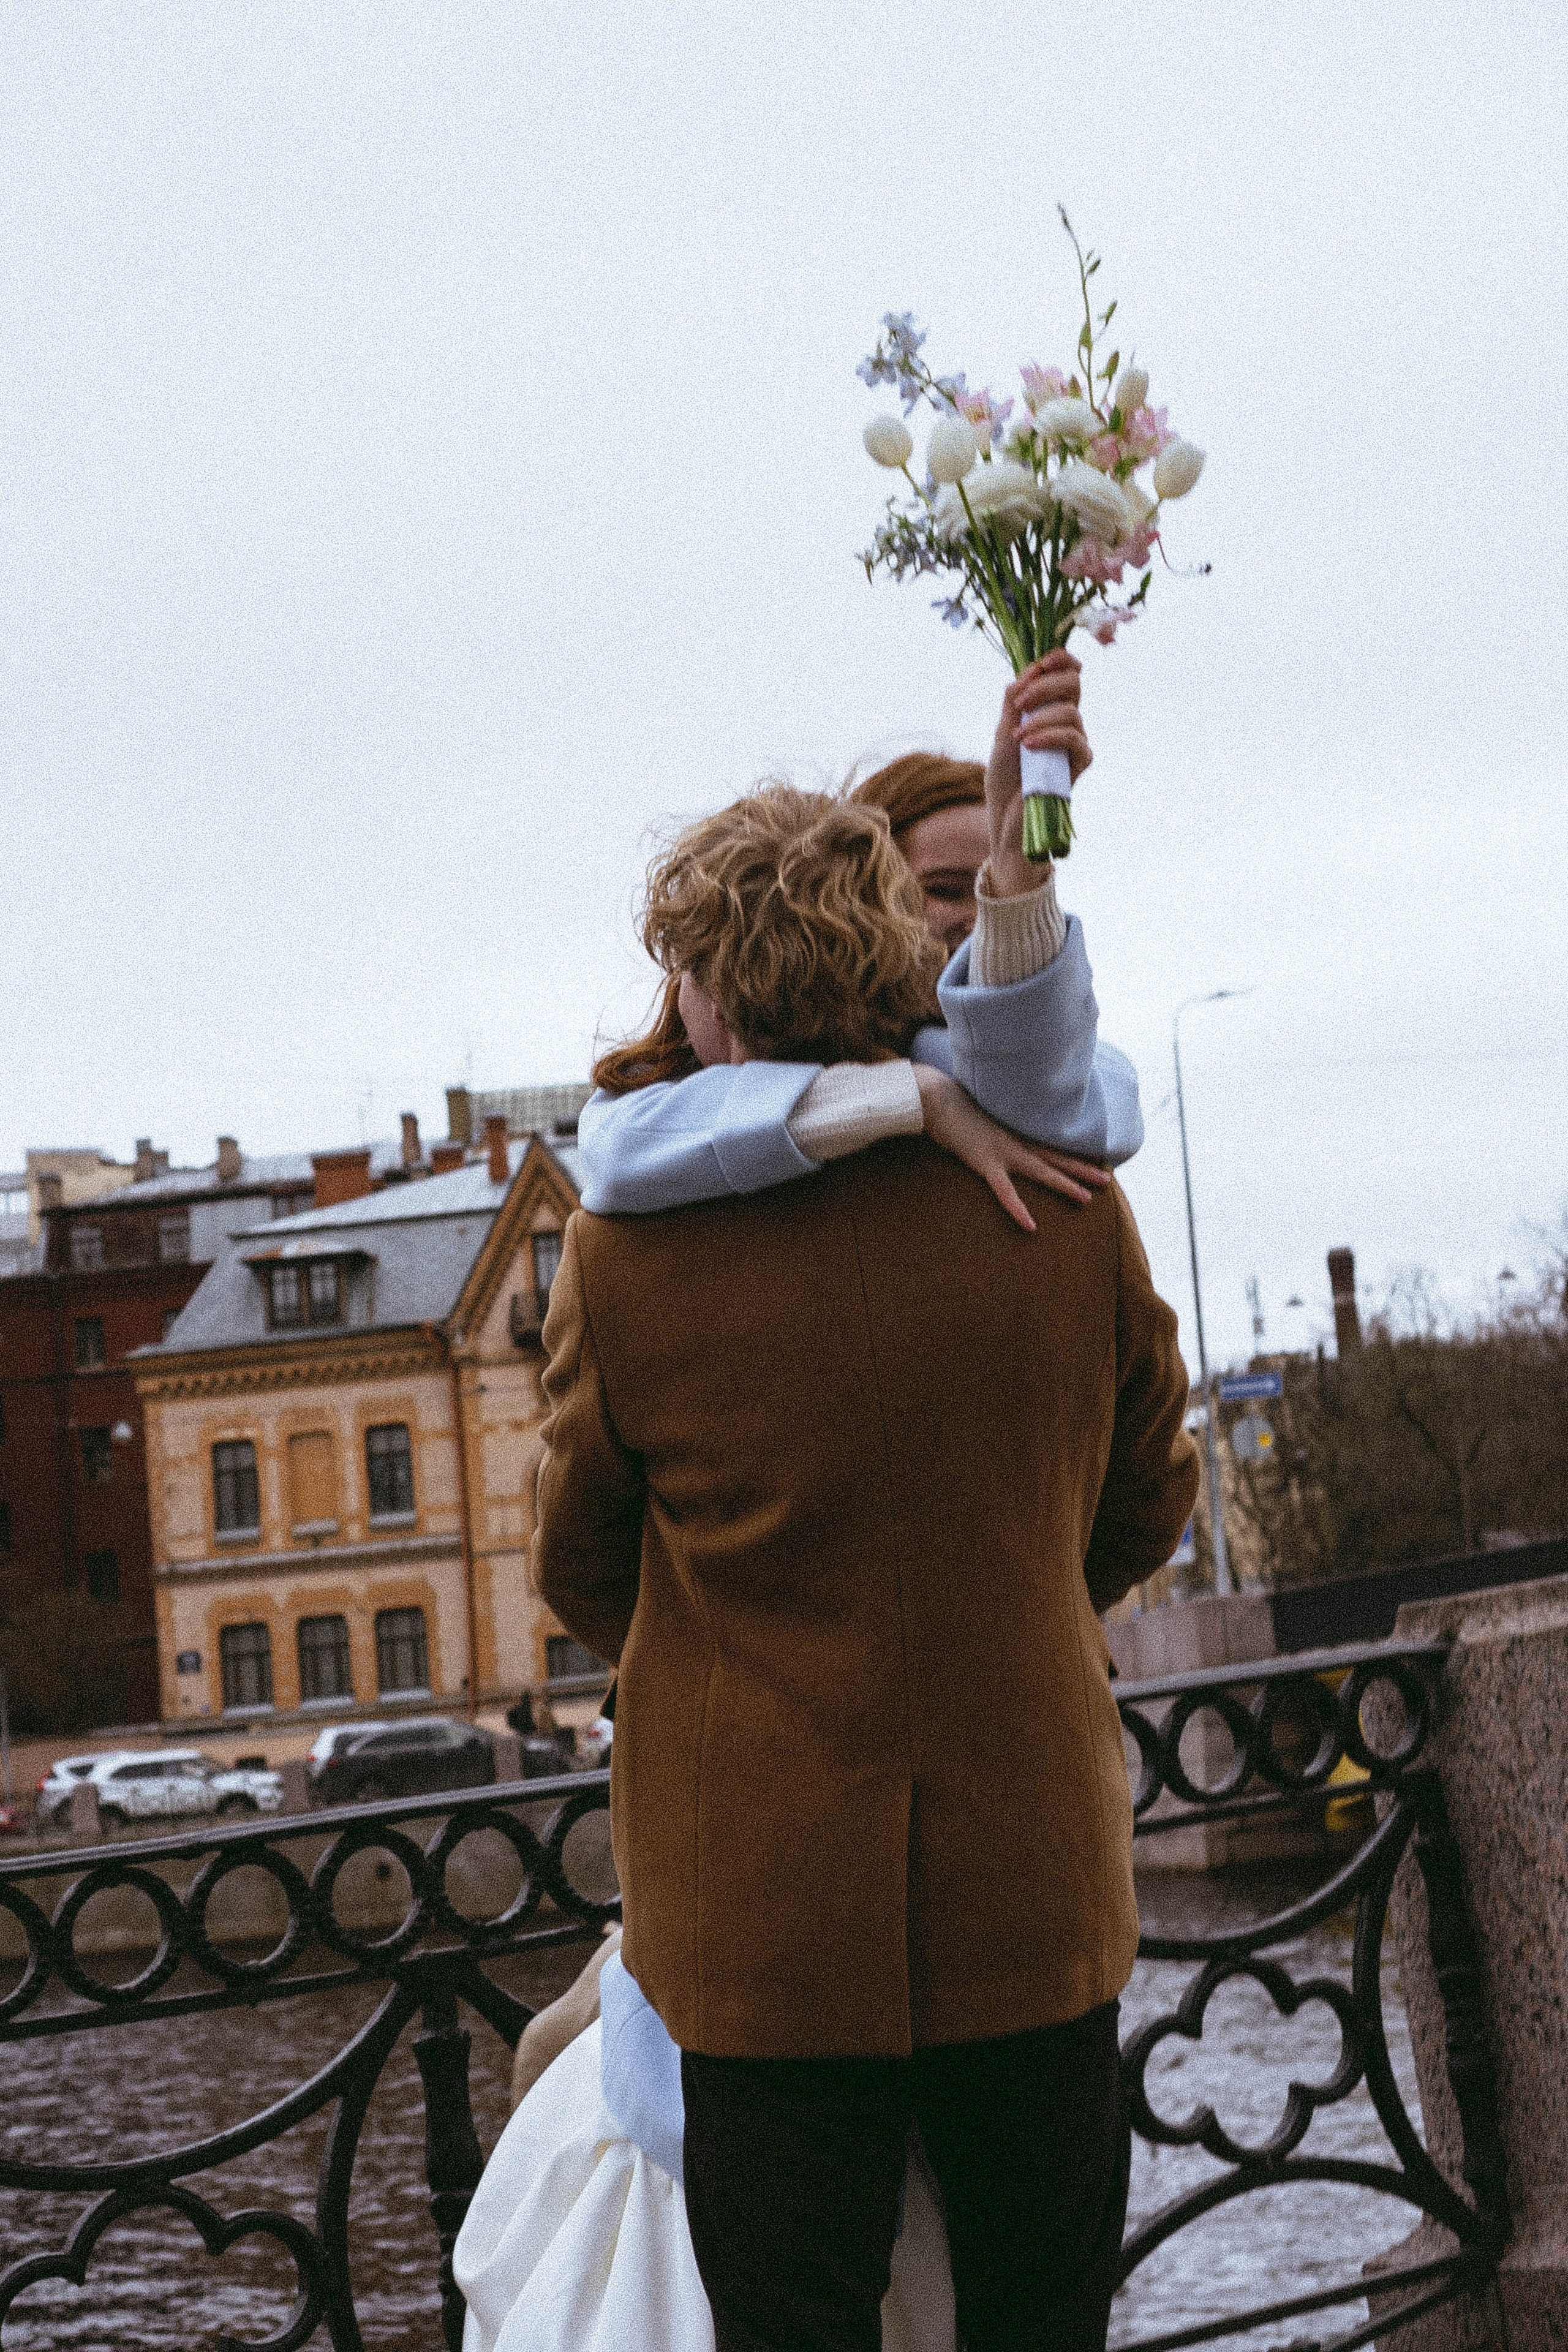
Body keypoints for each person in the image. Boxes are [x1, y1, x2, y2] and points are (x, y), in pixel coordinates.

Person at [526, 775, 1199, 2352]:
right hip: (1028, 1873)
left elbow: (580, 1563)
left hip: (758, 1922)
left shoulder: (628, 1258)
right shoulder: (1059, 1198)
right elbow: (1149, 1487)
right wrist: (1014, 1603)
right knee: (1040, 2319)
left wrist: (728, 1657)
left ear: (712, 992)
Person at [577, 654, 1143, 1229]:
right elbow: (614, 1146)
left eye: (991, 890)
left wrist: (1021, 870)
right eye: (947, 890)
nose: (979, 921)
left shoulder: (978, 1072)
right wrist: (914, 1097)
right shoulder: (694, 1097)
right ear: (864, 899)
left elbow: (1075, 1095)